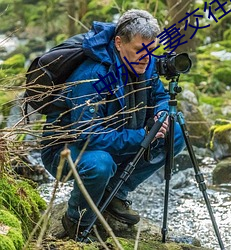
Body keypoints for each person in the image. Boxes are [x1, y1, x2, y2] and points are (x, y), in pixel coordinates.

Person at [41, 9, 185, 241]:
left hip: (117, 136)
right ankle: (76, 221)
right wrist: (142, 135)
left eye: (151, 50)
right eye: (139, 50)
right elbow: (87, 135)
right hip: (67, 150)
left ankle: (115, 193)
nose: (146, 57)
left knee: (175, 132)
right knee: (100, 164)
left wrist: (161, 114)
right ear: (119, 43)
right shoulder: (92, 75)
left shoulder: (144, 61)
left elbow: (159, 96)